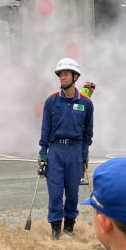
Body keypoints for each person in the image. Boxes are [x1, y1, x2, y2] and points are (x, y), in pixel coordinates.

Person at [39, 57, 94, 239]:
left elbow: (88, 131)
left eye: (66, 74)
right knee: (55, 194)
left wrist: (84, 152)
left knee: (72, 193)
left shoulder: (86, 103)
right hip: (55, 151)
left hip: (75, 151)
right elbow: (45, 129)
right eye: (60, 74)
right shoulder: (51, 102)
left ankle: (69, 228)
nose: (62, 77)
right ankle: (55, 231)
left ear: (75, 77)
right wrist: (42, 152)